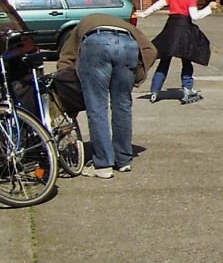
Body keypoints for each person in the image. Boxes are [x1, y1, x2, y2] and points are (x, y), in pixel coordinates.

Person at [56, 13, 157, 178]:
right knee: (123, 106)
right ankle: (123, 160)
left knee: (97, 106)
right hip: (128, 45)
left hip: (95, 43)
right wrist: (136, 76)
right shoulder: (129, 28)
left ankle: (103, 164)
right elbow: (151, 51)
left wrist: (68, 85)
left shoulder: (83, 24)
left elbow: (66, 59)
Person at [138, 0, 216, 104]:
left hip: (170, 28)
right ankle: (187, 89)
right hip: (184, 28)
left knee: (164, 60)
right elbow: (194, 16)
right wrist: (209, 7)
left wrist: (143, 14)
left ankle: (154, 91)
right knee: (187, 59)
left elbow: (157, 6)